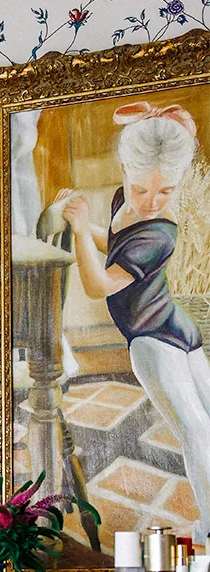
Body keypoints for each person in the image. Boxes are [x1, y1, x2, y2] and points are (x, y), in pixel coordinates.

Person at [55, 101, 210, 544]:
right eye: (144, 189)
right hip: (171, 327)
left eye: (167, 192)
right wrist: (84, 223)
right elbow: (118, 244)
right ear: (124, 167)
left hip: (157, 338)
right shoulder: (126, 202)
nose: (154, 201)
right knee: (200, 428)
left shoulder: (162, 230)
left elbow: (100, 284)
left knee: (198, 429)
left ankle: (207, 528)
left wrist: (82, 229)